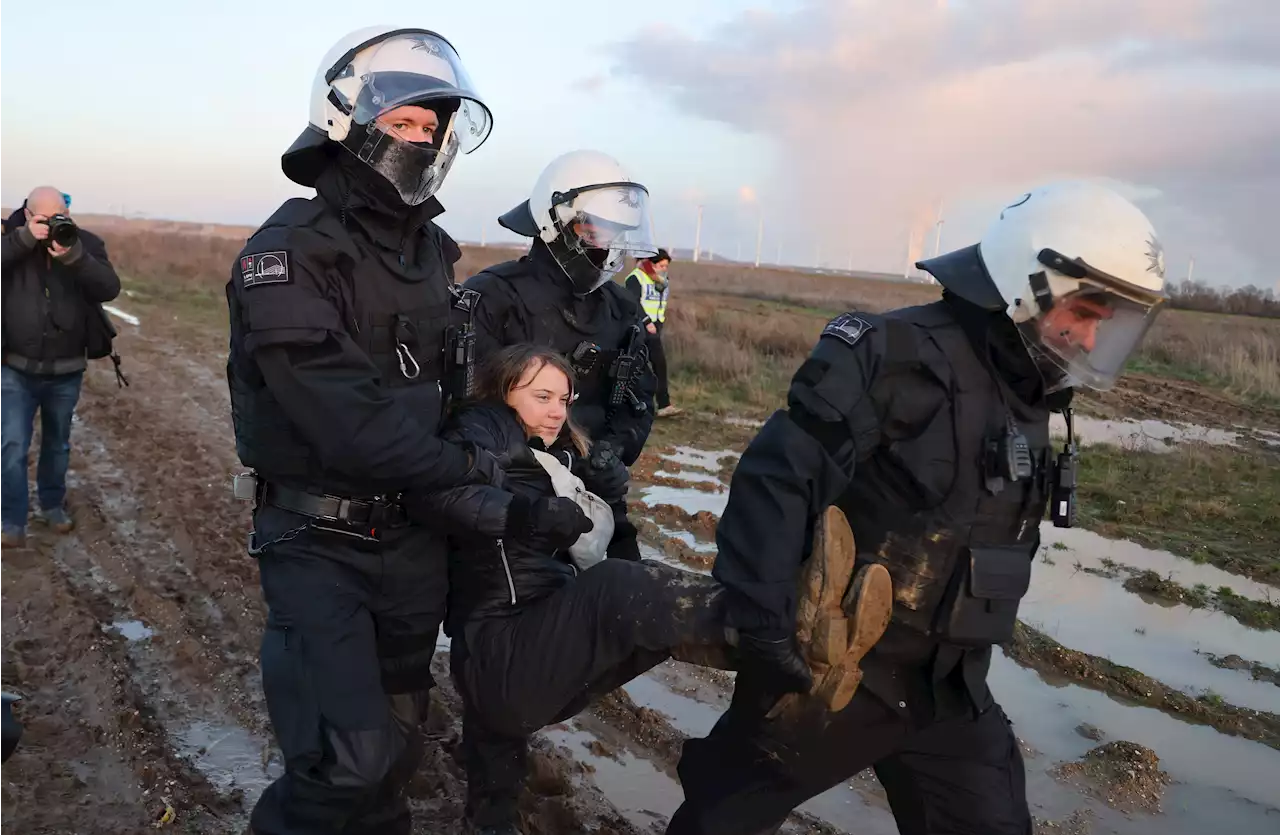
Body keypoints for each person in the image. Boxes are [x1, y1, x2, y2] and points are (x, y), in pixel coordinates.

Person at [664, 181, 1170, 835]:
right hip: (839, 674)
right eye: (1087, 312)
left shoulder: (1032, 392)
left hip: (951, 692)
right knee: (720, 817)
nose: (1093, 337)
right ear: (1029, 282)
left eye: (1109, 321)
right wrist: (761, 621)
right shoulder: (894, 354)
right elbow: (776, 479)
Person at [224, 27, 589, 835]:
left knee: (394, 756)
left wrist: (521, 459)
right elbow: (351, 420)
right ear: (345, 119)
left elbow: (454, 396)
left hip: (414, 543)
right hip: (319, 541)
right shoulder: (288, 254)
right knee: (341, 763)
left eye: (432, 128)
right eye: (403, 124)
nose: (420, 142)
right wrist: (487, 481)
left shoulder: (432, 254)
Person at [416, 344, 775, 835]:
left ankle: (774, 649)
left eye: (564, 399)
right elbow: (450, 492)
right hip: (501, 656)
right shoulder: (482, 429)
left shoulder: (558, 461)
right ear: (502, 391)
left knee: (640, 617)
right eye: (542, 396)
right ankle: (774, 622)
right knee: (614, 589)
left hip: (516, 671)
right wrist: (526, 516)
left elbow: (613, 558)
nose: (556, 411)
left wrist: (611, 500)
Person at [465, 150, 660, 563]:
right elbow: (467, 408)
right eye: (597, 230)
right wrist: (547, 463)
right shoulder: (494, 296)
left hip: (596, 499)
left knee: (625, 609)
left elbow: (639, 401)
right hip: (513, 503)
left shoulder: (621, 308)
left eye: (618, 233)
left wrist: (611, 455)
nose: (608, 246)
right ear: (558, 223)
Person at [0, 187, 121, 548]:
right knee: (10, 444)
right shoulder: (11, 240)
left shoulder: (84, 243)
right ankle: (11, 519)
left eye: (60, 218)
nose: (54, 224)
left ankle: (52, 506)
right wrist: (23, 239)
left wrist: (75, 257)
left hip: (66, 369)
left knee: (57, 445)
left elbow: (109, 288)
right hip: (14, 367)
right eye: (45, 219)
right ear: (27, 213)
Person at [625, 249, 681, 416]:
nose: (665, 269)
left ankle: (664, 405)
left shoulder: (663, 281)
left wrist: (658, 322)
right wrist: (647, 321)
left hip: (656, 327)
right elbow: (633, 303)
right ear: (652, 264)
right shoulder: (636, 277)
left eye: (667, 266)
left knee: (659, 365)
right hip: (640, 327)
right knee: (636, 367)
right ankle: (628, 404)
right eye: (662, 265)